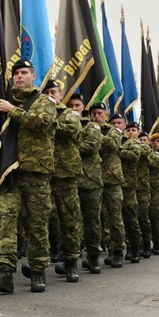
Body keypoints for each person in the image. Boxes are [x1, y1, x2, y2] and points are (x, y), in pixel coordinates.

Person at [0, 60, 56, 294]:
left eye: (24, 72)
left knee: (36, 223)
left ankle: (37, 270)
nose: (19, 76)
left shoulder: (43, 101)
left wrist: (12, 110)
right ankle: (5, 271)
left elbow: (43, 123)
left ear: (33, 77)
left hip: (35, 171)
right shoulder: (2, 100)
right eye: (15, 72)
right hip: (9, 171)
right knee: (7, 219)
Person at [42, 80, 83, 282]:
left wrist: (47, 118)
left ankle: (71, 263)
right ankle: (39, 261)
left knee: (69, 220)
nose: (50, 95)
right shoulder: (38, 112)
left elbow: (71, 131)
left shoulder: (69, 114)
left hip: (65, 174)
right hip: (43, 172)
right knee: (40, 219)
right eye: (46, 93)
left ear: (60, 95)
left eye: (53, 92)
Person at [70, 94, 104, 274]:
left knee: (92, 221)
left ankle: (93, 256)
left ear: (83, 107)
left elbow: (90, 147)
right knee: (72, 221)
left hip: (90, 181)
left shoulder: (92, 127)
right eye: (70, 106)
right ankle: (72, 259)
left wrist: (69, 145)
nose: (74, 108)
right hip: (71, 179)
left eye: (77, 105)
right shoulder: (64, 123)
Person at [91, 103, 125, 268]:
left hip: (111, 180)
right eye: (94, 114)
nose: (97, 116)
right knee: (100, 218)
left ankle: (118, 249)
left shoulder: (114, 131)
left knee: (114, 217)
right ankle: (109, 249)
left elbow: (112, 145)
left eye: (99, 113)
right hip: (94, 179)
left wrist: (96, 132)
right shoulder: (89, 129)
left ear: (106, 114)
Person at [117, 119, 143, 263]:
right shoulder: (117, 140)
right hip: (115, 183)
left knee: (130, 217)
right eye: (129, 130)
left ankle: (135, 247)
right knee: (116, 219)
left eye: (133, 130)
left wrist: (118, 149)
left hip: (128, 186)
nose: (131, 132)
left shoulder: (134, 143)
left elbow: (133, 156)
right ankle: (121, 248)